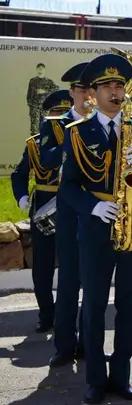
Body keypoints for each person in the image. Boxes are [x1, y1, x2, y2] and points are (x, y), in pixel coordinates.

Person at [60, 53, 132, 404]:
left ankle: (122, 376)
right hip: (96, 225)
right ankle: (95, 379)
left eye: (120, 86)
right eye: (108, 87)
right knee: (96, 303)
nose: (115, 92)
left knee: (130, 303)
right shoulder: (77, 132)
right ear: (93, 93)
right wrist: (94, 206)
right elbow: (67, 187)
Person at [38, 61, 98, 367]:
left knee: (94, 285)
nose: (89, 96)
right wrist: (68, 138)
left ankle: (88, 345)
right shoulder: (54, 125)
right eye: (83, 90)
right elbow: (46, 161)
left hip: (99, 215)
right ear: (72, 92)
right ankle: (64, 346)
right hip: (70, 214)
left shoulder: (104, 124)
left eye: (92, 89)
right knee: (69, 283)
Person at [10, 90, 71, 333]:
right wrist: (22, 196)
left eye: (64, 114)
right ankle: (46, 315)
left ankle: (67, 316)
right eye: (56, 113)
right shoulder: (36, 144)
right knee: (43, 266)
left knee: (71, 265)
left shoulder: (81, 139)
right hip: (44, 205)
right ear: (48, 116)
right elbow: (19, 173)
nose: (60, 119)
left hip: (70, 205)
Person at [26, 62, 59, 135]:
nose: (40, 69)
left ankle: (43, 142)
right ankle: (34, 143)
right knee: (34, 126)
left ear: (44, 70)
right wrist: (30, 104)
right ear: (37, 69)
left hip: (45, 106)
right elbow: (29, 93)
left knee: (44, 124)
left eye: (42, 68)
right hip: (34, 107)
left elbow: (56, 89)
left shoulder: (48, 81)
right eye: (39, 68)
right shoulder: (33, 81)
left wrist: (45, 91)